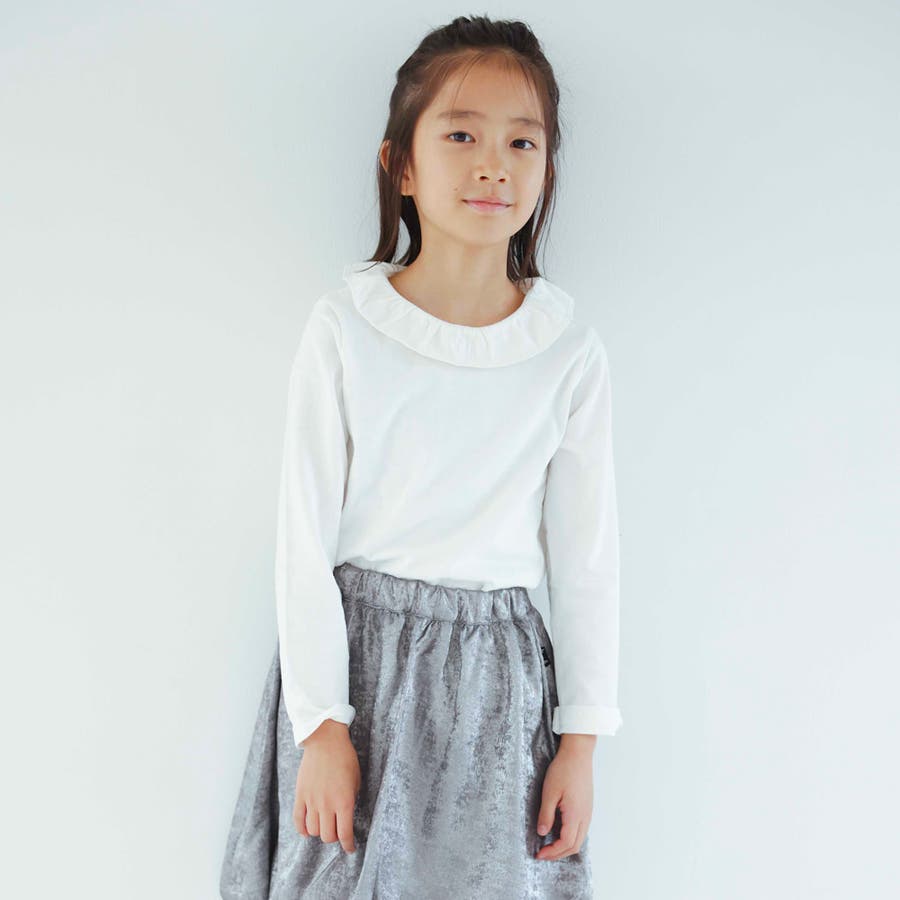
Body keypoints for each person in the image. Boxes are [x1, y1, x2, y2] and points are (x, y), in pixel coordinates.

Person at [220, 14, 622, 900]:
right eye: (461, 136)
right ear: (401, 164)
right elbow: (302, 539)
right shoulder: (347, 329)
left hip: (497, 691)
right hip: (357, 671)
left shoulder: (566, 352)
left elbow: (587, 563)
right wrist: (321, 727)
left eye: (522, 142)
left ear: (547, 169)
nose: (494, 165)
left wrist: (581, 742)